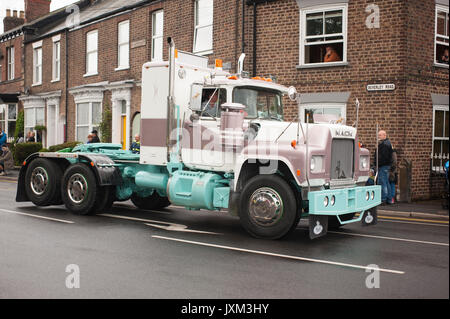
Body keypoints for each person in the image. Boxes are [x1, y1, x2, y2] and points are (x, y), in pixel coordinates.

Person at [375, 130, 393, 205]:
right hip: (386, 166)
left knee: (382, 182)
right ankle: (389, 199)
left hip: (383, 166)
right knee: (386, 182)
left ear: (384, 135)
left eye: (380, 135)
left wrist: (378, 164)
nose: (378, 137)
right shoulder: (387, 143)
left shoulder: (384, 144)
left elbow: (383, 157)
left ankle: (383, 199)